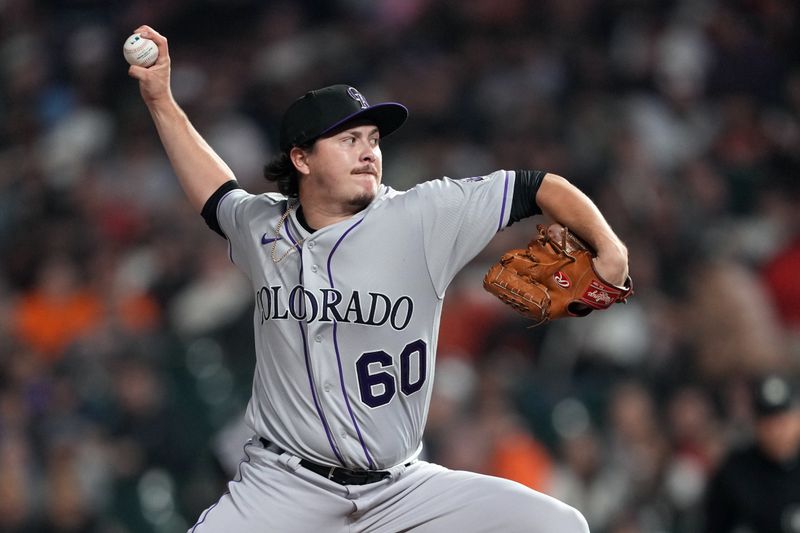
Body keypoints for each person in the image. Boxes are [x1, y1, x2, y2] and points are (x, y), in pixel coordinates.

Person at [129, 24, 629, 533]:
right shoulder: (263, 227)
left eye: (372, 139)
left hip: (399, 490)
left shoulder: (423, 216)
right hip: (283, 489)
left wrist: (610, 247)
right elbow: (217, 197)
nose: (369, 151)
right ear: (301, 159)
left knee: (558, 525)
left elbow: (537, 186)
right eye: (348, 140)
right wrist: (161, 99)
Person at [703, 373, 800, 533]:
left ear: (797, 420)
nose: (776, 430)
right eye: (767, 421)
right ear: (755, 423)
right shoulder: (734, 471)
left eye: (782, 420)